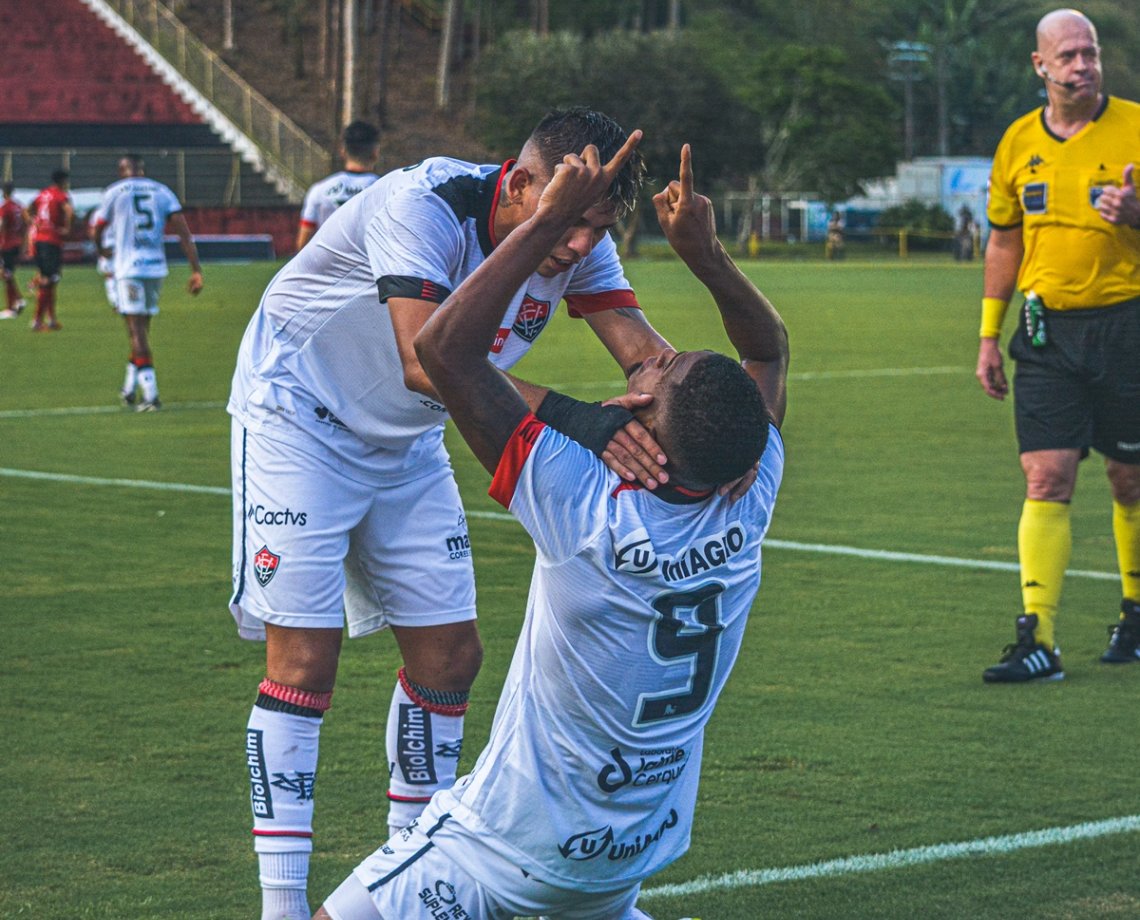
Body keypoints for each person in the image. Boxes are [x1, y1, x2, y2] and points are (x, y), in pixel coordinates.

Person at [229, 108, 692, 920]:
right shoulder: (425, 205)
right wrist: (584, 419)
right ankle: (280, 907)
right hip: (299, 417)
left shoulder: (580, 241)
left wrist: (705, 419)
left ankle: (406, 869)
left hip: (408, 441)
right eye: (572, 220)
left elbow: (645, 357)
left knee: (450, 657)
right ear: (519, 184)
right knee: (304, 662)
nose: (582, 245)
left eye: (599, 227)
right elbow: (424, 360)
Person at [313, 139, 787, 920]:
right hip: (632, 853)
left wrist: (548, 220)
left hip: (505, 850)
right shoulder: (750, 483)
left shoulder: (584, 502)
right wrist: (706, 258)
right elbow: (766, 349)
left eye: (659, 373)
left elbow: (440, 350)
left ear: (647, 424)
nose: (649, 364)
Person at [976, 9, 1140, 683]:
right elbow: (1004, 238)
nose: (1083, 65)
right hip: (1045, 332)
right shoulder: (1018, 142)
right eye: (1068, 55)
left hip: (1127, 325)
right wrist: (989, 332)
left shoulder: (1133, 125)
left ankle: (1135, 610)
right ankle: (1037, 638)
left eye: (1090, 53)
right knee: (1046, 476)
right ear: (1040, 66)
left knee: (1129, 477)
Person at [91, 154, 204, 411]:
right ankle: (130, 387)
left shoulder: (114, 191)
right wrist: (195, 269)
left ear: (123, 170)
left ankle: (151, 395)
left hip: (129, 268)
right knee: (142, 329)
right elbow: (183, 232)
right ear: (142, 169)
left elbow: (98, 228)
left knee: (135, 331)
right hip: (155, 268)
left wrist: (101, 249)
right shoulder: (162, 191)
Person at [295, 121, 382, 252]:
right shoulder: (386, 189)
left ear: (343, 151)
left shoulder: (319, 190)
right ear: (375, 152)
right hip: (369, 266)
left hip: (328, 266)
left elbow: (303, 242)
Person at [26, 169, 74, 331]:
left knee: (51, 279)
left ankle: (51, 319)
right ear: (63, 181)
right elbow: (69, 211)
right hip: (51, 241)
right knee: (48, 280)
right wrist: (67, 228)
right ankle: (37, 321)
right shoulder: (61, 195)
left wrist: (34, 222)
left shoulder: (43, 194)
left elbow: (28, 209)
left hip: (39, 239)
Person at [0, 182, 28, 318]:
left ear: (3, 192)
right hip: (16, 242)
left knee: (5, 274)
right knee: (6, 273)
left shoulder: (5, 207)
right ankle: (16, 301)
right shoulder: (18, 206)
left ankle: (14, 304)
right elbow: (26, 223)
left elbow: (2, 226)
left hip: (6, 244)